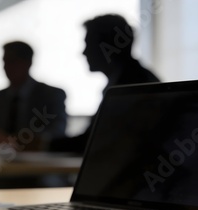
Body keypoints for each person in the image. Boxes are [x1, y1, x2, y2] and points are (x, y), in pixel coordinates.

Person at [49, 14, 160, 154]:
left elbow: (94, 142)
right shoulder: (130, 79)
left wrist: (44, 144)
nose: (84, 52)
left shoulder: (132, 86)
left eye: (88, 44)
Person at [0, 41, 68, 151]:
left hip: (39, 163)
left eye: (13, 61)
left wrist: (13, 140)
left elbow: (56, 133)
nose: (7, 67)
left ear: (28, 63)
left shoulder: (51, 95)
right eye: (5, 61)